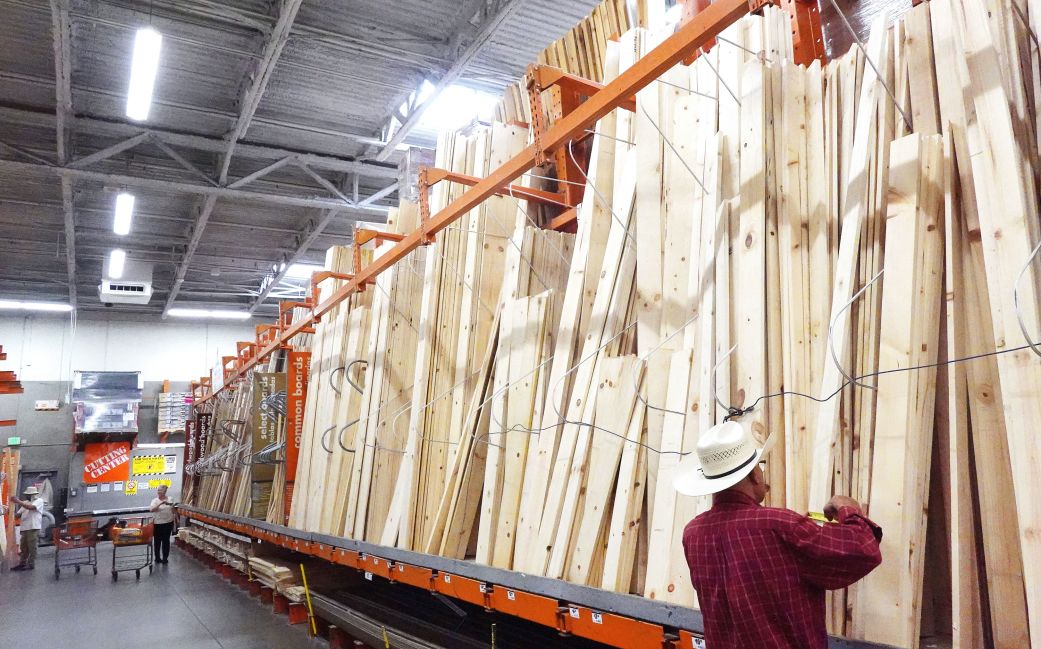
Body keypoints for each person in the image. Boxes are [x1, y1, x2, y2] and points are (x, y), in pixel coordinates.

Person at [675, 419, 883, 649]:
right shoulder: (779, 526)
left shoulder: (693, 534)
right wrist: (849, 508)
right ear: (755, 474)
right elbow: (864, 549)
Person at [9, 485, 47, 571]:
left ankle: (31, 564)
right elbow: (17, 515)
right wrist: (9, 511)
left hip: (33, 527)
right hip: (25, 527)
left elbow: (31, 507)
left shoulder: (39, 501)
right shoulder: (25, 503)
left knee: (32, 546)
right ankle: (22, 563)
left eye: (28, 494)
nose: (26, 496)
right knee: (23, 547)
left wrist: (18, 501)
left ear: (32, 495)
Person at [149, 485, 176, 564]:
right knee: (157, 541)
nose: (159, 492)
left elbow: (173, 509)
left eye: (160, 491)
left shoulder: (170, 499)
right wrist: (161, 503)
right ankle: (157, 558)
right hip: (158, 524)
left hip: (168, 523)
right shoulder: (155, 500)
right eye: (158, 490)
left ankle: (165, 558)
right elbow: (151, 510)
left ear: (165, 492)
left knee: (166, 541)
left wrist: (176, 518)